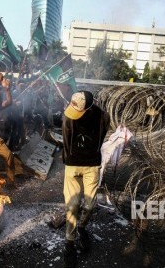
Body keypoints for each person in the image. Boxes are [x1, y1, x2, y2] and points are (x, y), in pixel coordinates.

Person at [62, 91, 110, 267]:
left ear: (90, 106)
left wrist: (92, 154)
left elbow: (102, 137)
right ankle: (69, 242)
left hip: (92, 165)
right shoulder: (69, 114)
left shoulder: (103, 117)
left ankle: (81, 226)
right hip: (73, 164)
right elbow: (66, 139)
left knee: (90, 205)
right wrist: (69, 159)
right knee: (72, 205)